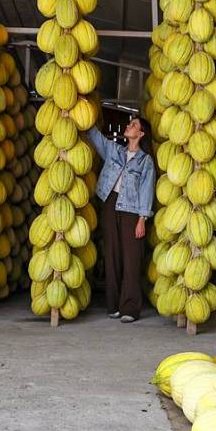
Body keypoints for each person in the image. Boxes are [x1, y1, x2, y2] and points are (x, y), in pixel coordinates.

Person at [87, 115, 155, 322]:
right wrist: (80, 109)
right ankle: (113, 305)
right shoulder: (114, 150)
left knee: (131, 259)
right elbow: (95, 136)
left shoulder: (145, 161)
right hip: (110, 205)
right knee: (112, 256)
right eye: (129, 123)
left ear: (141, 134)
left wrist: (142, 219)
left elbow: (147, 190)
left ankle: (130, 308)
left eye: (133, 125)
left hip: (132, 210)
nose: (129, 125)